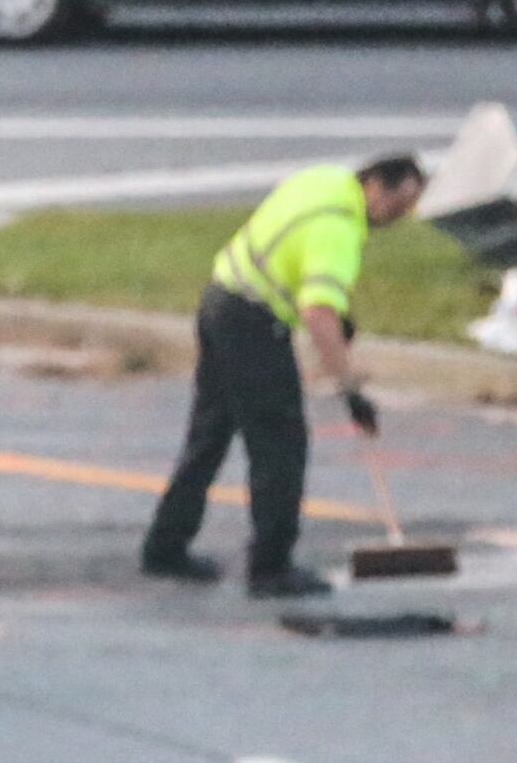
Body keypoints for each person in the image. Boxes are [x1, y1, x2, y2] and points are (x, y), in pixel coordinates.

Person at [142, 153, 430, 599]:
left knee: (210, 435)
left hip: (221, 297)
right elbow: (317, 313)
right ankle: (270, 567)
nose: (398, 217)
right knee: (280, 443)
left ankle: (164, 546)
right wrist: (350, 391)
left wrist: (337, 316)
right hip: (253, 322)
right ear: (375, 185)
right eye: (397, 205)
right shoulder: (339, 229)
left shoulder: (325, 181)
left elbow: (292, 256)